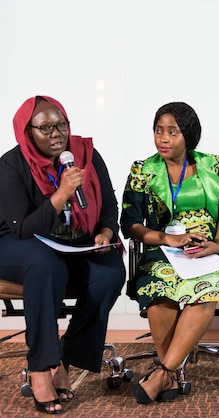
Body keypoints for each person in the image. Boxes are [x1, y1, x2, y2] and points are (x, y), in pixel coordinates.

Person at [0, 96, 125, 414]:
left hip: (73, 243)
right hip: (16, 242)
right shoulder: (11, 165)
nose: (56, 133)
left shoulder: (85, 155)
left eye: (61, 125)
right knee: (44, 263)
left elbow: (109, 206)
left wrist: (106, 233)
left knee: (109, 272)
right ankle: (40, 367)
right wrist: (61, 195)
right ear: (28, 132)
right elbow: (23, 228)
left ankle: (66, 358)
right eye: (45, 127)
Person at [121, 102, 219, 404]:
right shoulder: (143, 169)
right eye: (158, 131)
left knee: (206, 290)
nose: (163, 138)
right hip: (164, 247)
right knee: (158, 290)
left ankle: (162, 373)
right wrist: (167, 238)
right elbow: (130, 223)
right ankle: (169, 375)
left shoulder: (216, 164)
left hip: (209, 246)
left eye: (172, 132)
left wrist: (218, 243)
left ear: (188, 136)